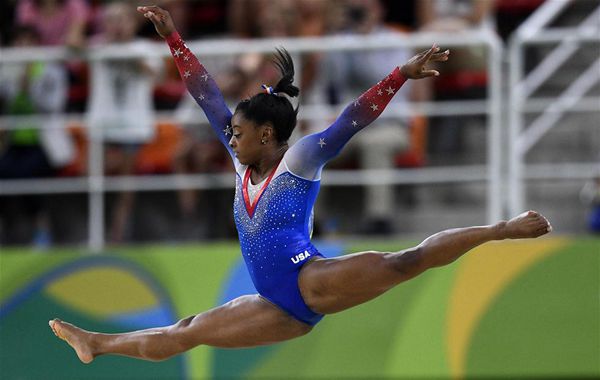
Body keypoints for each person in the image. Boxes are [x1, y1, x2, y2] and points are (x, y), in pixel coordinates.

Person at [49, 6, 552, 363]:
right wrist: (174, 40)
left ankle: (500, 228)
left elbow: (353, 119)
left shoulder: (301, 158)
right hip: (274, 305)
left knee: (406, 261)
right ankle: (97, 342)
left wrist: (399, 74)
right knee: (185, 332)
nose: (231, 136)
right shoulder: (241, 160)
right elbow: (206, 97)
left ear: (267, 134)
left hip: (311, 280)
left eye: (240, 133)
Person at [86, 1, 163, 243]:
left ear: (133, 23)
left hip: (134, 127)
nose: (117, 25)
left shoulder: (144, 48)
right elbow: (71, 47)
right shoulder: (97, 45)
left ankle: (116, 234)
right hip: (101, 126)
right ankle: (95, 233)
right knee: (94, 181)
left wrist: (126, 54)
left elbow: (156, 76)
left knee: (125, 185)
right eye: (111, 20)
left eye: (122, 19)